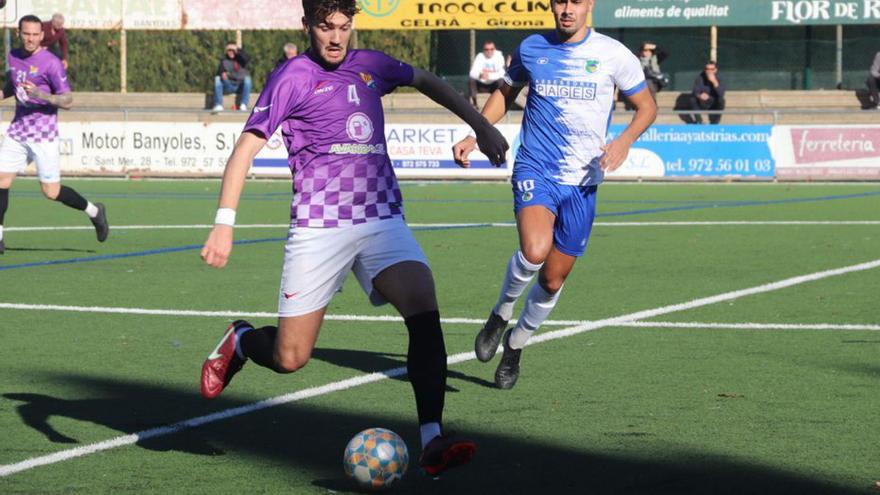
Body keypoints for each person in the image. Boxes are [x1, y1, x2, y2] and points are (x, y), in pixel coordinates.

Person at [199, 0, 507, 476]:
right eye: (326, 28)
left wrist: (481, 125)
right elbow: (246, 148)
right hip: (319, 227)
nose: (337, 38)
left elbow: (424, 79)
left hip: (381, 217)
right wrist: (224, 220)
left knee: (423, 305)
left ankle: (431, 438)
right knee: (290, 357)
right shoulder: (292, 77)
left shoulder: (371, 65)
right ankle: (240, 341)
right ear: (308, 27)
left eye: (345, 27)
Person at [452, 0, 657, 390]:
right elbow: (504, 93)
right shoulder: (531, 48)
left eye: (576, 1)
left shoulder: (614, 54)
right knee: (534, 250)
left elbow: (646, 107)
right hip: (536, 168)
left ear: (589, 5)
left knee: (552, 280)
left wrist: (626, 140)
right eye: (560, 0)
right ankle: (500, 313)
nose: (567, 8)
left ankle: (515, 345)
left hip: (583, 181)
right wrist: (475, 134)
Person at [0, 15, 108, 255]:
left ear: (41, 35)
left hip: (43, 134)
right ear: (19, 34)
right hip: (18, 130)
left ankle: (94, 211)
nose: (30, 38)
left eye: (34, 34)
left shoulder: (51, 63)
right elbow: (13, 85)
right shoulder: (14, 56)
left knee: (51, 192)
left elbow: (68, 100)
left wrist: (42, 94)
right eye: (26, 33)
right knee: (1, 180)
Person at [211, 42, 252, 112]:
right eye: (229, 50)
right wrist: (222, 74)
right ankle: (218, 104)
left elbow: (247, 58)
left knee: (248, 79)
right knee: (217, 78)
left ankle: (243, 104)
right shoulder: (224, 60)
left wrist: (238, 49)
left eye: (232, 50)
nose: (231, 52)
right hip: (229, 86)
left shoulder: (241, 59)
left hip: (240, 86)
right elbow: (219, 72)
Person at [468, 40, 506, 107]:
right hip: (481, 85)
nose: (489, 51)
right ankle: (474, 104)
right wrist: (480, 75)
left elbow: (502, 74)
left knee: (501, 81)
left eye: (492, 49)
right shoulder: (480, 56)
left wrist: (489, 76)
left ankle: (500, 104)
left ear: (495, 49)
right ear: (483, 50)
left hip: (494, 85)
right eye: (486, 49)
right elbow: (472, 73)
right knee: (471, 80)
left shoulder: (499, 56)